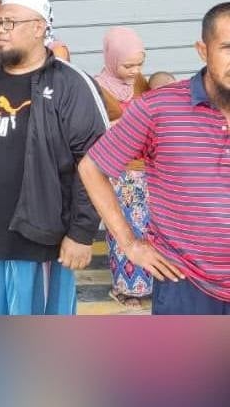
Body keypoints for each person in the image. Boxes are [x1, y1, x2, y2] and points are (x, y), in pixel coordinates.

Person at [0, 0, 109, 315]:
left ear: (39, 28)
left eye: (10, 23)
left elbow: (96, 164)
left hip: (36, 241)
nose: (1, 30)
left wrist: (82, 233)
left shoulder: (71, 85)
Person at [79, 2, 230, 315]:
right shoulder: (158, 108)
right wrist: (129, 243)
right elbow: (92, 167)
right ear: (203, 50)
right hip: (186, 286)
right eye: (228, 47)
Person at [93, 26, 152, 308]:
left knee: (149, 227)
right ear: (112, 58)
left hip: (148, 169)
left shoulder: (140, 83)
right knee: (124, 228)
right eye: (128, 65)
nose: (134, 70)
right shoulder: (96, 87)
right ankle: (126, 288)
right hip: (118, 171)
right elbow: (93, 130)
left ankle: (149, 283)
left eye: (139, 64)